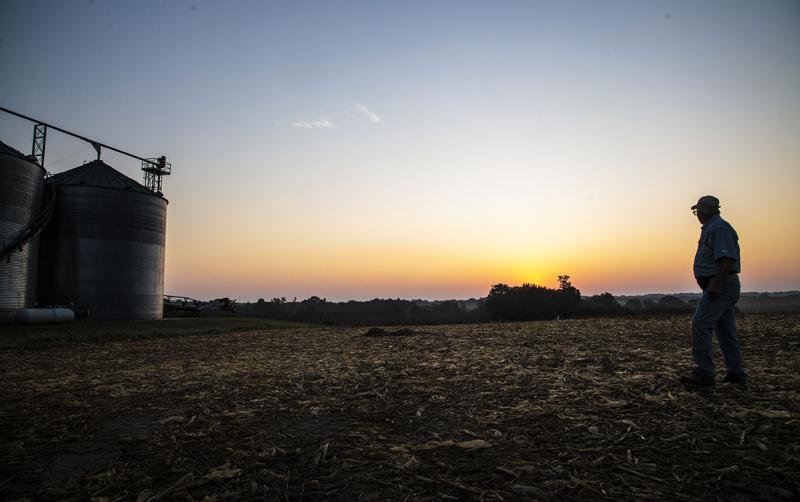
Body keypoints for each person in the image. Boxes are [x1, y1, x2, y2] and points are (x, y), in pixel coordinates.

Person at [680, 195, 747, 387]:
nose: (697, 215)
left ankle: (705, 374)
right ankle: (736, 374)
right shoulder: (712, 228)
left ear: (708, 210)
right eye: (696, 211)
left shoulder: (718, 228)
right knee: (725, 331)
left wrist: (716, 284)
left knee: (700, 324)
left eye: (698, 211)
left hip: (720, 285)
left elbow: (726, 258)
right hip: (722, 284)